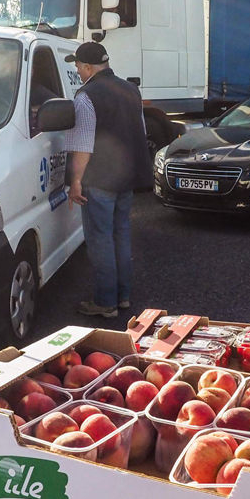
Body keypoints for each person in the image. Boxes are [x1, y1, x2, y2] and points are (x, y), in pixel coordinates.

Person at [64, 42, 152, 318]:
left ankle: (105, 302)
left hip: (99, 180)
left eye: (78, 65)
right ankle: (123, 297)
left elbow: (83, 145)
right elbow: (141, 130)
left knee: (100, 240)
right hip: (126, 179)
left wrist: (75, 180)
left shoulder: (86, 96)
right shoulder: (130, 90)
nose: (77, 70)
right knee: (121, 236)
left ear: (89, 67)